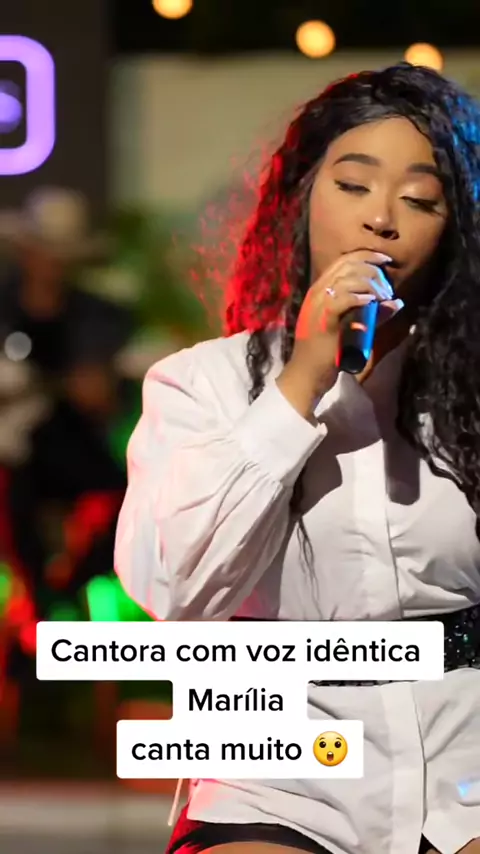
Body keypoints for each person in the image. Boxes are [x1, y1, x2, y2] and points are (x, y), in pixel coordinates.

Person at [114, 63, 480, 854]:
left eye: (420, 200)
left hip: (463, 773)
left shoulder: (468, 393)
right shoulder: (203, 385)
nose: (381, 217)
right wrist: (301, 382)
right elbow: (173, 589)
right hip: (276, 775)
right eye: (353, 186)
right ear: (302, 197)